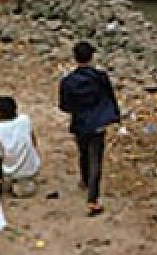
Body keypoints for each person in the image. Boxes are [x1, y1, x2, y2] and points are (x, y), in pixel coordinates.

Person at [58, 41, 121, 217]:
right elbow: (110, 97)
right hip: (98, 122)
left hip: (80, 123)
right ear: (91, 57)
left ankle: (85, 180)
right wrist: (114, 115)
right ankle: (92, 199)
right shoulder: (101, 77)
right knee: (96, 160)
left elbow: (64, 106)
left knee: (83, 152)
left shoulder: (67, 81)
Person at [0, 95, 42, 197]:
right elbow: (33, 140)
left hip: (12, 172)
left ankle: (18, 183)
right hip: (33, 167)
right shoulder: (25, 120)